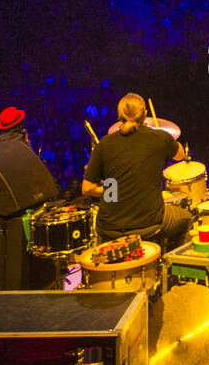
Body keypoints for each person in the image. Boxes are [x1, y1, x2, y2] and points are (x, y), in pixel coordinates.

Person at [82, 92, 192, 252]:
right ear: (145, 115)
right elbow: (181, 155)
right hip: (149, 224)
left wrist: (113, 191)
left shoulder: (104, 144)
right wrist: (164, 139)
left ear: (119, 116)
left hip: (109, 227)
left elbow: (87, 188)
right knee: (187, 218)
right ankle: (172, 270)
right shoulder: (160, 138)